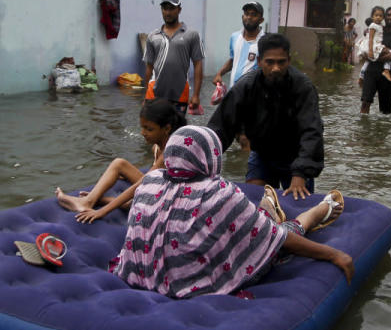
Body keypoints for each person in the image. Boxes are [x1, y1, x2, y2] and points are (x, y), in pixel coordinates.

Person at [108, 125, 353, 299]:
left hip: (140, 275)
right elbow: (277, 239)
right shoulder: (218, 192)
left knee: (252, 226)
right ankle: (318, 211)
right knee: (278, 234)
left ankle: (266, 211)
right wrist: (333, 255)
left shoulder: (150, 181)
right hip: (195, 283)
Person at [207, 32, 324, 200]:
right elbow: (221, 127)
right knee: (251, 202)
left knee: (298, 206)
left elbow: (312, 132)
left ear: (289, 61)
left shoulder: (303, 88)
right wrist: (204, 163)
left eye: (281, 62)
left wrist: (300, 173)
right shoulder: (245, 86)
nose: (275, 68)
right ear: (259, 61)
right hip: (262, 154)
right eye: (270, 62)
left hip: (296, 157)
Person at [55, 99, 186, 223]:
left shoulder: (169, 152)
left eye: (149, 129)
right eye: (142, 127)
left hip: (169, 200)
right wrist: (128, 174)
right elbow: (154, 177)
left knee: (133, 199)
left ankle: (91, 202)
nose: (143, 133)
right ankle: (93, 200)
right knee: (120, 164)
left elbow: (143, 184)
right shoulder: (156, 146)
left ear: (167, 128)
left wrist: (102, 212)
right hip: (162, 187)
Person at [142, 0, 205, 115]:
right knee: (154, 130)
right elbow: (149, 67)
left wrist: (196, 95)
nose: (168, 12)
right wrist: (145, 95)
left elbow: (198, 64)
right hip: (154, 92)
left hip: (179, 92)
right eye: (165, 8)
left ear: (179, 10)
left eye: (171, 8)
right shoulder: (153, 36)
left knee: (176, 131)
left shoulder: (191, 35)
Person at [361, 6, 391, 114]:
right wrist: (368, 56)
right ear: (384, 17)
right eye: (389, 15)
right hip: (371, 72)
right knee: (365, 103)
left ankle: (383, 129)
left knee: (385, 109)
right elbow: (366, 48)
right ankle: (364, 128)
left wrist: (373, 58)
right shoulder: (376, 30)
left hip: (387, 74)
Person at [211, 1, 265, 90]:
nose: (249, 17)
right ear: (242, 17)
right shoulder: (235, 37)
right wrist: (219, 74)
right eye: (246, 14)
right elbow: (233, 60)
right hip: (234, 92)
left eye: (254, 14)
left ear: (261, 20)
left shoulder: (265, 41)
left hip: (253, 95)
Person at [361, 7, 391, 82]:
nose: (378, 17)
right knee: (390, 52)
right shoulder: (373, 26)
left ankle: (361, 76)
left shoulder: (381, 25)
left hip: (378, 44)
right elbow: (370, 38)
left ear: (383, 17)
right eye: (376, 15)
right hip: (373, 45)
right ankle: (386, 70)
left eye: (380, 16)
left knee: (368, 61)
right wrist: (370, 51)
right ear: (372, 16)